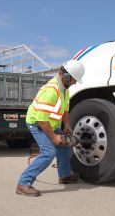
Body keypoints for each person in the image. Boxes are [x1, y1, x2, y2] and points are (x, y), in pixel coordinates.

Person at [16, 60, 85, 197]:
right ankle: (23, 183)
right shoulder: (51, 90)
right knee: (49, 152)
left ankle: (64, 176)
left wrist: (66, 125)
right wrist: (54, 138)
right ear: (66, 77)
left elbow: (65, 109)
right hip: (37, 123)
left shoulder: (64, 90)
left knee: (65, 145)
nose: (75, 83)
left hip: (50, 124)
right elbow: (41, 119)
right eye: (74, 80)